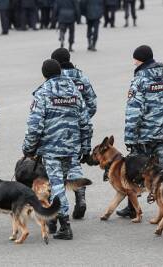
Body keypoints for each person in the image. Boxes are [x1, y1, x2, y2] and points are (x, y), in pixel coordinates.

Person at [22, 59, 92, 240]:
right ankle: (55, 220)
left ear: (45, 74)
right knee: (59, 181)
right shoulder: (74, 91)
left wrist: (28, 148)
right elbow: (85, 122)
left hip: (52, 148)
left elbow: (35, 125)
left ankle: (65, 225)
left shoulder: (43, 92)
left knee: (57, 184)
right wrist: (85, 147)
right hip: (71, 147)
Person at [117, 45, 163, 218]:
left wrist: (130, 138)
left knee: (138, 170)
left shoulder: (139, 81)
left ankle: (132, 208)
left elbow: (134, 112)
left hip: (144, 136)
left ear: (138, 60)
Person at [51, 47, 97, 220]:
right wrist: (79, 119)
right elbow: (92, 104)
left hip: (55, 130)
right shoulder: (82, 78)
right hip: (77, 129)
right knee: (74, 162)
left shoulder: (55, 78)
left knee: (56, 168)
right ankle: (80, 195)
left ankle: (58, 207)